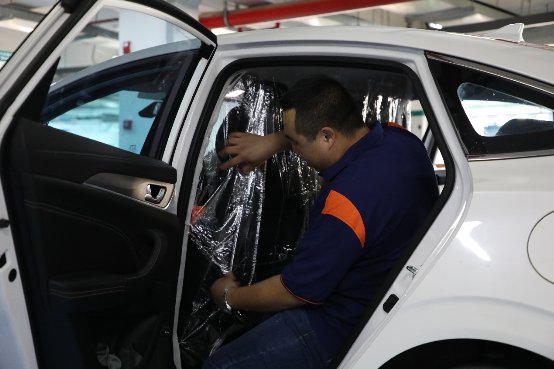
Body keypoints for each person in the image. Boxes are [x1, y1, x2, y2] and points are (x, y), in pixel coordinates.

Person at [202, 76, 439, 369]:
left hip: (343, 325)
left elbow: (293, 292)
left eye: (295, 142)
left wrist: (228, 297)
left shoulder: (345, 204)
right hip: (395, 297)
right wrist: (275, 141)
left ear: (327, 136)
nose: (295, 150)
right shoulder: (402, 141)